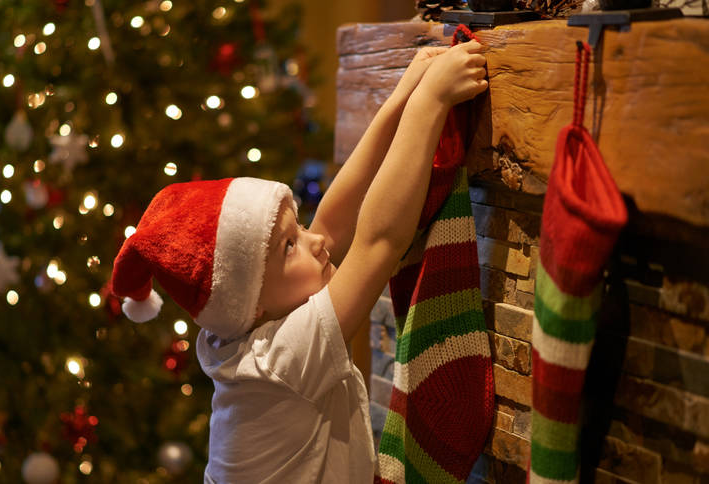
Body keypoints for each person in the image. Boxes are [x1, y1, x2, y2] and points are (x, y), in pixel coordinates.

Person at [110, 39, 487, 483]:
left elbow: (332, 224)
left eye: (298, 229)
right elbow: (378, 242)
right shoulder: (279, 363)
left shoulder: (240, 328)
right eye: (290, 245)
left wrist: (402, 95)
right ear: (252, 304)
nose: (314, 242)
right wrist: (431, 101)